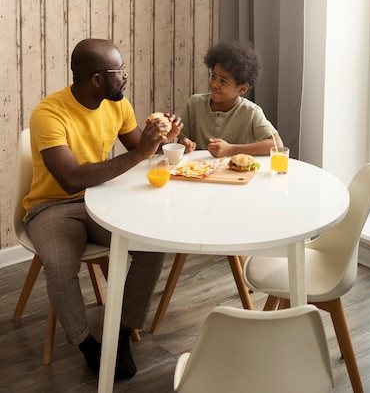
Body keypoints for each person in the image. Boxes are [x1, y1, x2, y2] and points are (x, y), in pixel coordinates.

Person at [22, 38, 183, 379]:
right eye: (119, 72)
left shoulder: (118, 105)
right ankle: (87, 345)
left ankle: (121, 334)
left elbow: (140, 151)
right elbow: (69, 180)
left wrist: (162, 140)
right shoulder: (48, 114)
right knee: (60, 264)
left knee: (151, 244)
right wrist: (140, 154)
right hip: (52, 207)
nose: (125, 77)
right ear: (97, 79)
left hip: (104, 199)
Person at [178, 41, 283, 157]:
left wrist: (231, 149)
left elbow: (277, 145)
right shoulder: (194, 104)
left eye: (223, 81)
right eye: (213, 76)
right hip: (197, 171)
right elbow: (181, 136)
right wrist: (184, 143)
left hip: (236, 173)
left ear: (242, 89)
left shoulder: (251, 111)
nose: (214, 84)